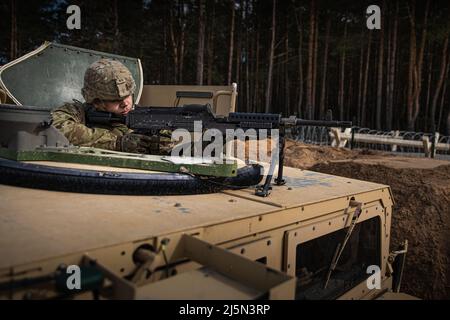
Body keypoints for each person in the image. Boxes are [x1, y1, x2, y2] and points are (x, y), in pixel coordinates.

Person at [51, 58, 173, 154]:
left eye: (128, 95)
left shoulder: (144, 119)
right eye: (115, 100)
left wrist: (159, 144)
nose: (125, 103)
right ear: (96, 102)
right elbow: (57, 130)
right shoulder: (76, 112)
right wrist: (117, 143)